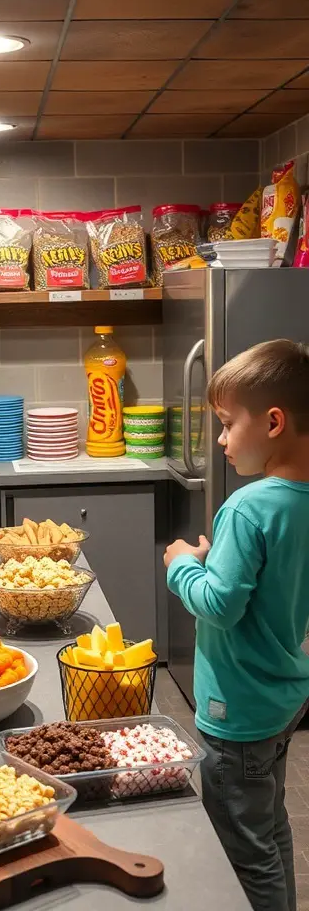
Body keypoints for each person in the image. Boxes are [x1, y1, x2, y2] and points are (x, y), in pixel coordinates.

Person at [164, 339, 309, 911]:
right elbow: (262, 583)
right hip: (282, 694)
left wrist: (181, 566)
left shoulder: (249, 506)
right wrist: (216, 560)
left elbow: (219, 604)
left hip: (236, 711)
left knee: (243, 849)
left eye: (226, 425)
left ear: (273, 422)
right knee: (271, 826)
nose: (220, 440)